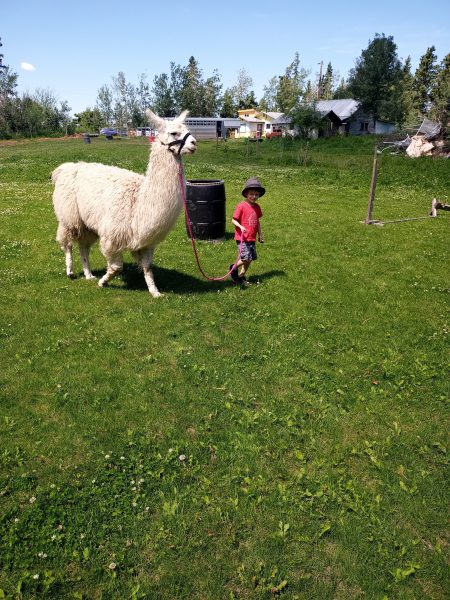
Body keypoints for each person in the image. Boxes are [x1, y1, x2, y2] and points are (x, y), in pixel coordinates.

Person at [230, 177, 265, 285]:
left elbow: (257, 221)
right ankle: (233, 267)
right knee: (246, 258)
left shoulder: (257, 207)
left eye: (256, 194)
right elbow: (233, 220)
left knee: (250, 259)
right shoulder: (241, 206)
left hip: (252, 238)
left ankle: (240, 276)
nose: (254, 196)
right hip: (242, 238)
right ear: (246, 193)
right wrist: (240, 227)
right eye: (251, 194)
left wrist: (260, 234)